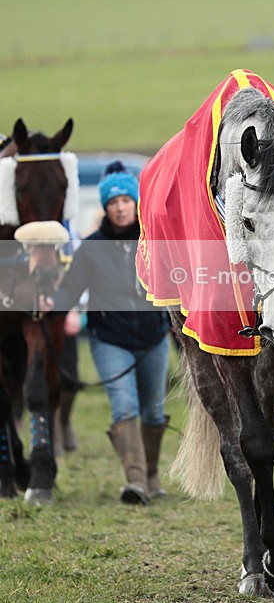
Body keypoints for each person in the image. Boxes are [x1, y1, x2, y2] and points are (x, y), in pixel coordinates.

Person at [40, 161, 171, 505]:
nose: (120, 207)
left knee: (154, 412)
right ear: (105, 207)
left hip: (154, 338)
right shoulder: (91, 246)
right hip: (110, 340)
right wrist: (50, 305)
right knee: (123, 406)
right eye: (113, 203)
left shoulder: (152, 239)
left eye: (126, 200)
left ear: (135, 202)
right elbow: (69, 291)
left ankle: (153, 475)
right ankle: (137, 482)